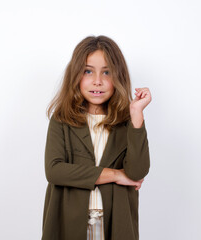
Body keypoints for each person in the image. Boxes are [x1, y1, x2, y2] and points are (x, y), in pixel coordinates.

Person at [42, 35, 151, 240]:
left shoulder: (127, 122)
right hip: (70, 221)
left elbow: (137, 172)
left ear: (118, 76)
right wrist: (117, 175)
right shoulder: (62, 118)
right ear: (76, 75)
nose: (98, 81)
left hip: (115, 223)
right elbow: (54, 170)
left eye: (107, 72)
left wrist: (136, 113)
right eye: (88, 71)